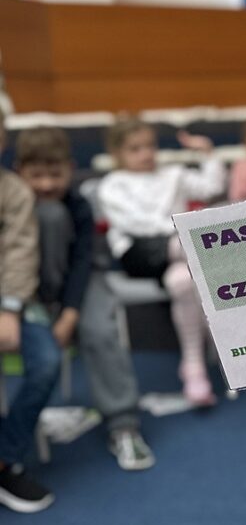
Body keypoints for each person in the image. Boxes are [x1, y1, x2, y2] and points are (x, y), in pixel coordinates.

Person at [15, 126, 154, 470]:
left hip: (83, 283)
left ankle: (123, 425)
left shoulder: (78, 206)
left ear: (70, 168)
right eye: (36, 175)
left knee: (100, 331)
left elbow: (81, 264)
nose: (46, 184)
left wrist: (70, 313)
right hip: (27, 289)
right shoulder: (13, 204)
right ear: (20, 172)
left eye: (55, 174)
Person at [97, 119, 226, 406]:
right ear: (117, 153)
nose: (146, 154)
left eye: (150, 146)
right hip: (140, 254)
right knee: (199, 247)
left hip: (179, 254)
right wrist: (179, 230)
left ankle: (193, 367)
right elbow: (133, 224)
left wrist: (207, 153)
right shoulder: (112, 185)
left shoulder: (172, 174)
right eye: (135, 149)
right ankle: (227, 337)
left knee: (182, 281)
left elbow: (212, 187)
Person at [0, 115, 60, 513]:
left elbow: (21, 252)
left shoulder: (15, 191)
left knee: (46, 362)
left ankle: (5, 459)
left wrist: (9, 308)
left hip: (16, 300)